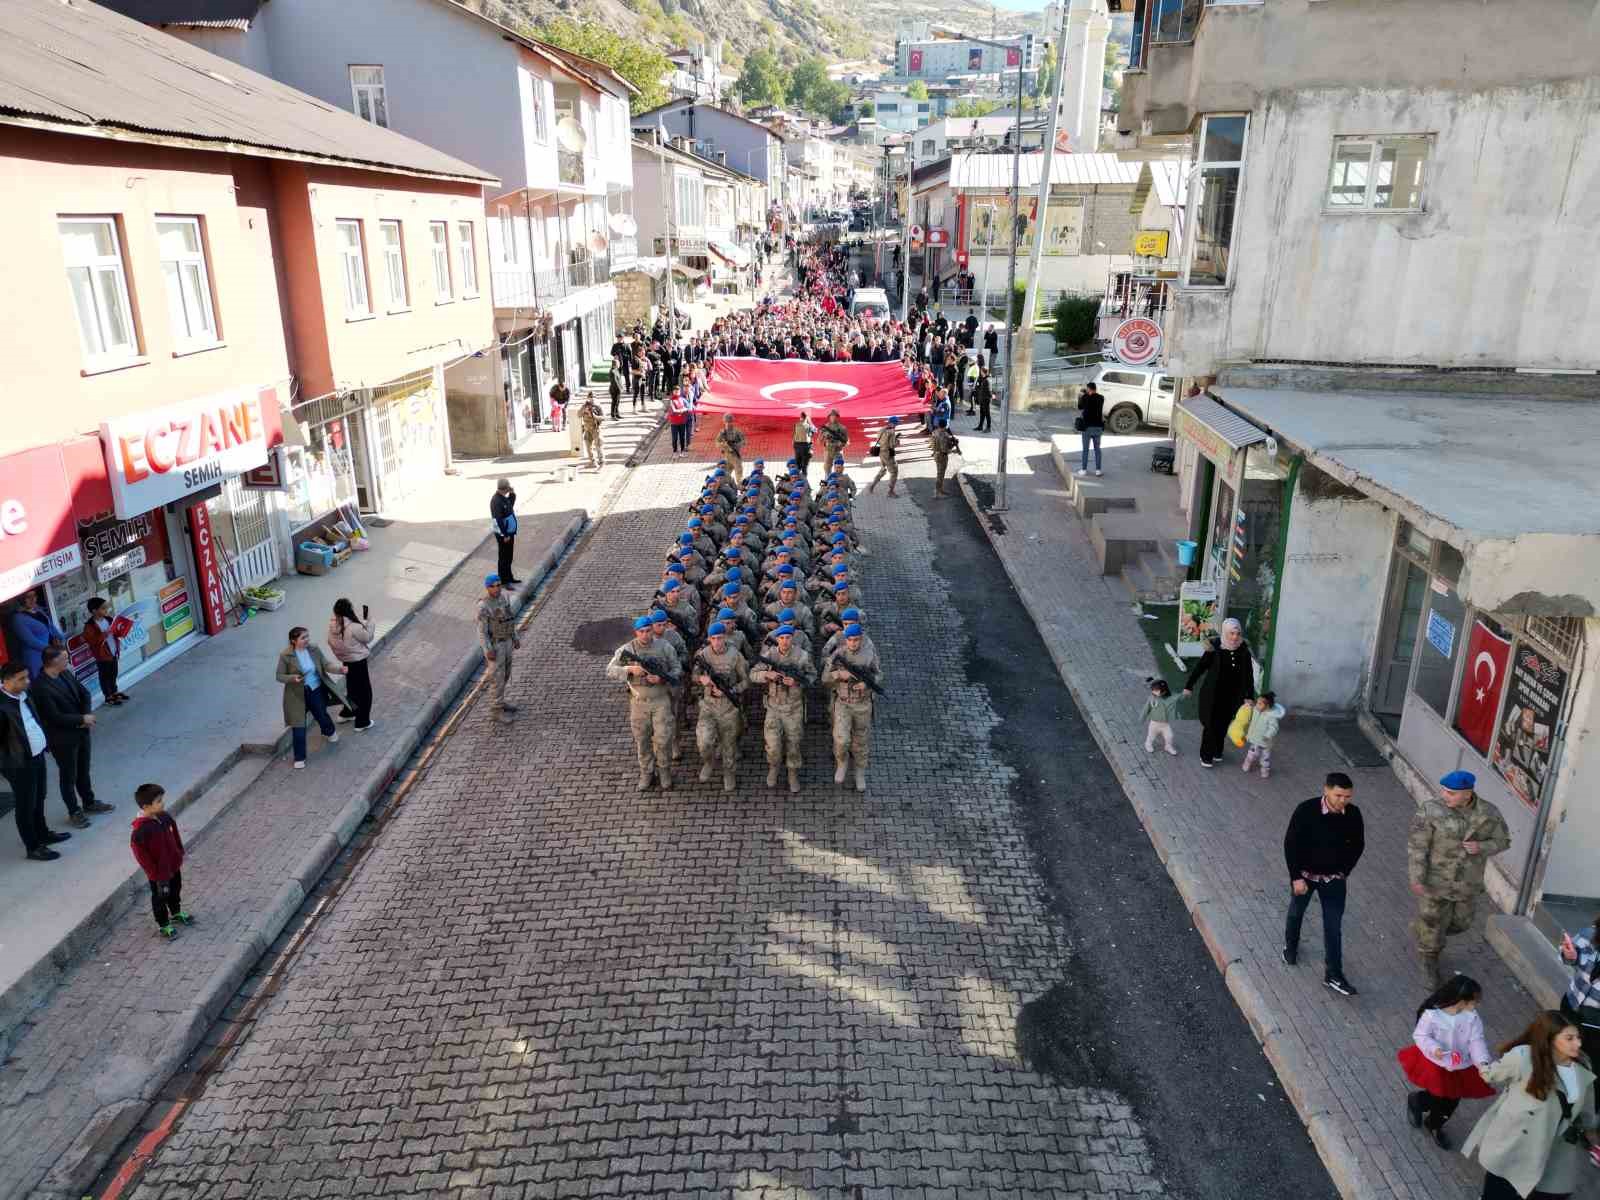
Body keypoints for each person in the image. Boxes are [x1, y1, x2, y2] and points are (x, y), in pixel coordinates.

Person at [1462, 1011, 1597, 1199]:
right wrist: (1479, 1059)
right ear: (1550, 1039)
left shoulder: (1583, 1064)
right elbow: (1490, 1074)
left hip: (1557, 1148)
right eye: (1569, 1038)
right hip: (1517, 1144)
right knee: (1499, 1192)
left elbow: (1586, 1108)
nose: (1578, 1043)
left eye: (1578, 1037)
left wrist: (1591, 1130)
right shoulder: (1524, 1057)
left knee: (1554, 1193)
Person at [1409, 770, 1513, 988]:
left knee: (1462, 923)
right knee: (1433, 921)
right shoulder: (1431, 810)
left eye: (1451, 793)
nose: (1444, 795)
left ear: (1467, 793)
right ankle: (1429, 959)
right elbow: (1418, 845)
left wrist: (1482, 847)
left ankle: (1425, 930)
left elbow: (1504, 840)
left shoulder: (1488, 812)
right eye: (1444, 791)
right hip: (1435, 880)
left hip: (1467, 882)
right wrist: (1417, 877)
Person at [1282, 771, 1365, 997]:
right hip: (1305, 876)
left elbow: (1358, 845)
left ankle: (1334, 975)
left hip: (1333, 880)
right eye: (1339, 795)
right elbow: (1291, 844)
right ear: (1326, 790)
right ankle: (1290, 946)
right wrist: (1295, 877)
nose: (1343, 801)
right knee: (1296, 912)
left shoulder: (1354, 814)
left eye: (1347, 796)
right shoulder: (1306, 810)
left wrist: (1344, 872)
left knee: (1333, 927)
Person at [1398, 974, 1494, 1150]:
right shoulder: (1432, 1015)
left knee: (1451, 1101)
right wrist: (1434, 1048)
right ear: (1460, 1000)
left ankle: (1434, 1124)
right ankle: (1418, 1101)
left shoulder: (1472, 1017)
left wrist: (1482, 1062)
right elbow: (1421, 1036)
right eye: (1473, 1001)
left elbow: (1476, 1041)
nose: (1475, 1006)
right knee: (1437, 1096)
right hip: (1436, 1063)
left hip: (1460, 1065)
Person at [33, 646, 112, 828]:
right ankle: (74, 811)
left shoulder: (65, 674)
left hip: (81, 731)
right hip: (62, 739)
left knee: (83, 770)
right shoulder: (41, 686)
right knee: (68, 776)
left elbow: (84, 693)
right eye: (65, 658)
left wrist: (85, 717)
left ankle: (89, 802)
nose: (68, 660)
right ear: (53, 662)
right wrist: (81, 719)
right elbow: (53, 716)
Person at [0, 660, 65, 860]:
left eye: (27, 677)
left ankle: (43, 833)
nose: (27, 682)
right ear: (7, 681)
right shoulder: (2, 706)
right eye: (21, 679)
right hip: (19, 764)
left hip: (36, 755)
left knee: (39, 796)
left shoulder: (23, 694)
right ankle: (33, 846)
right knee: (25, 804)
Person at [606, 616, 680, 791]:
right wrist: (629, 669)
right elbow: (610, 670)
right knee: (642, 740)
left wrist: (661, 677)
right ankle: (647, 773)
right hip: (639, 702)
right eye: (642, 632)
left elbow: (677, 668)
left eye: (648, 631)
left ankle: (664, 772)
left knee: (663, 739)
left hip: (661, 700)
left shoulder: (664, 647)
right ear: (636, 632)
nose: (645, 635)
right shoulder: (628, 650)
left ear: (652, 630)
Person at [1181, 617, 1256, 767]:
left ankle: (1217, 751)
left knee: (1223, 724)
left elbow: (1248, 675)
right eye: (1231, 633)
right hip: (1212, 695)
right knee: (1210, 725)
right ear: (1225, 633)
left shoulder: (1244, 651)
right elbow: (1200, 668)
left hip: (1232, 696)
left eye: (1237, 633)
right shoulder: (1214, 649)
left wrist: (1249, 696)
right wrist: (1189, 686)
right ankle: (1206, 755)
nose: (1235, 637)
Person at [752, 624, 815, 793]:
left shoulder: (802, 656)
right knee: (772, 745)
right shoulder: (769, 655)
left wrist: (797, 682)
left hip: (794, 707)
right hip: (774, 707)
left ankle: (792, 773)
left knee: (794, 743)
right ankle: (774, 767)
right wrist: (766, 675)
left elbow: (812, 676)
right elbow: (753, 673)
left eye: (788, 638)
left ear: (792, 638)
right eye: (781, 638)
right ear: (777, 639)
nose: (785, 641)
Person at [276, 626, 346, 769]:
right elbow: (279, 676)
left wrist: (339, 669)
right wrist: (292, 678)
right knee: (298, 727)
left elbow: (326, 665)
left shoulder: (313, 649)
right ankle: (299, 757)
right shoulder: (286, 655)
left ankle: (329, 732)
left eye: (307, 636)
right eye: (303, 638)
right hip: (296, 695)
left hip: (315, 690)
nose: (307, 640)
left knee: (321, 714)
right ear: (293, 641)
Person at [130, 783, 190, 940]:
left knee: (176, 888)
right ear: (145, 806)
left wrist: (179, 851)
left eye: (162, 799)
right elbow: (142, 857)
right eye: (158, 801)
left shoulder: (164, 817)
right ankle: (164, 924)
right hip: (158, 874)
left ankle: (176, 912)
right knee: (160, 897)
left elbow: (174, 832)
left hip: (173, 865)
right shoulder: (140, 832)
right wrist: (154, 874)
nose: (162, 803)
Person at [693, 621, 748, 793]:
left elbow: (746, 681)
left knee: (729, 745)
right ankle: (708, 762)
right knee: (704, 742)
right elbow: (694, 675)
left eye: (720, 638)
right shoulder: (703, 656)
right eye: (714, 638)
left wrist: (731, 690)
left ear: (725, 637)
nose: (717, 642)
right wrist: (700, 679)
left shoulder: (735, 655)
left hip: (728, 708)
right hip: (708, 706)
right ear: (709, 639)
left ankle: (728, 773)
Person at [826, 623, 879, 792]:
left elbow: (878, 674)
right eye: (850, 640)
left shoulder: (869, 654)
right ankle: (842, 763)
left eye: (856, 640)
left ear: (861, 639)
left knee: (860, 741)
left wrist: (866, 684)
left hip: (862, 704)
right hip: (843, 703)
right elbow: (824, 677)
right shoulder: (838, 654)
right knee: (841, 739)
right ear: (846, 640)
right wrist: (838, 675)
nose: (853, 643)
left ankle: (860, 772)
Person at [1557, 916, 1600, 1071]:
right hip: (1571, 1007)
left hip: (1596, 1025)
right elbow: (1566, 953)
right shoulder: (1589, 934)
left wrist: (1577, 959)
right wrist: (1569, 956)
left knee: (1591, 1070)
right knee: (1561, 1059)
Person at [326, 599, 375, 732]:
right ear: (349, 610)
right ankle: (362, 722)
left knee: (352, 688)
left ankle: (347, 713)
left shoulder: (333, 625)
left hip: (346, 660)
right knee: (364, 692)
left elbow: (330, 642)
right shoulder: (354, 626)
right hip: (358, 661)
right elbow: (368, 637)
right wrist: (370, 621)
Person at [477, 573, 521, 716]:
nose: (496, 589)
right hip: (495, 646)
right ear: (487, 588)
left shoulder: (504, 598)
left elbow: (510, 619)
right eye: (492, 586)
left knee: (506, 674)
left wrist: (515, 637)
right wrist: (488, 650)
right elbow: (482, 631)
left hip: (507, 641)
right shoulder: (483, 606)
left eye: (498, 585)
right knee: (497, 678)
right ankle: (496, 710)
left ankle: (500, 702)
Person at [82, 597, 130, 704]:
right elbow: (92, 641)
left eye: (106, 608)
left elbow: (116, 632)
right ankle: (108, 696)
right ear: (94, 611)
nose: (106, 610)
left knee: (114, 673)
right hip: (102, 656)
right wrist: (104, 634)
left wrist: (121, 630)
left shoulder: (109, 619)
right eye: (103, 608)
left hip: (113, 651)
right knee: (105, 676)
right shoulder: (89, 626)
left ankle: (114, 692)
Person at [10, 590, 66, 680]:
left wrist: (61, 638)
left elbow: (50, 626)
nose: (33, 599)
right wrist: (52, 649)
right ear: (21, 599)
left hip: (50, 654)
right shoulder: (17, 618)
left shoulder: (38, 610)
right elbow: (30, 641)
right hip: (35, 658)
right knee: (43, 684)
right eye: (28, 597)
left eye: (34, 595)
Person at [1241, 691, 1286, 779]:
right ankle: (1248, 762)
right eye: (1257, 703)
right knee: (1251, 752)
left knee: (1265, 757)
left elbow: (1274, 728)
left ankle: (1264, 769)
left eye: (1259, 704)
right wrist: (1250, 703)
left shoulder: (1272, 716)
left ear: (1267, 706)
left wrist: (1267, 735)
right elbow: (1252, 706)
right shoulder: (1257, 710)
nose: (1257, 705)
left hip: (1265, 741)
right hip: (1255, 739)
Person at [490, 478, 520, 586]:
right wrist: (505, 534)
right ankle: (504, 581)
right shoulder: (496, 501)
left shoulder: (503, 498)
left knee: (509, 556)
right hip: (503, 534)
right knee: (504, 557)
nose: (509, 489)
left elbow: (510, 505)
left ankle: (509, 577)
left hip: (509, 532)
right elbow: (498, 520)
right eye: (508, 488)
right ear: (505, 488)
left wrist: (512, 494)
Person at [1140, 678, 1180, 755]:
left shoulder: (1169, 698)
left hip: (1165, 724)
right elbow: (1146, 708)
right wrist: (1142, 717)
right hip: (1154, 723)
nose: (1154, 691)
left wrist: (1184, 694)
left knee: (1170, 736)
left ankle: (1168, 746)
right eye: (1153, 690)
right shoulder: (1152, 698)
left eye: (1156, 690)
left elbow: (1177, 697)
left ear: (1163, 691)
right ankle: (1148, 744)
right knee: (1151, 736)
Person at [867, 416, 900, 497]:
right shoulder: (891, 432)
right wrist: (897, 442)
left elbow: (879, 440)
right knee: (894, 472)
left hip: (881, 452)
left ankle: (872, 486)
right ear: (892, 423)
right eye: (896, 423)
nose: (896, 425)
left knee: (882, 470)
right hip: (888, 454)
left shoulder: (881, 429)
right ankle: (890, 492)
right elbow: (892, 445)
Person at [1077, 382, 1105, 477]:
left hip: (1087, 427)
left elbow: (1080, 407)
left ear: (1089, 389)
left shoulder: (1085, 398)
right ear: (1095, 389)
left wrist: (1081, 395)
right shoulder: (1101, 398)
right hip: (1098, 427)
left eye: (1087, 389)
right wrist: (1086, 394)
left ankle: (1084, 470)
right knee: (1097, 449)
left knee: (1085, 449)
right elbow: (1094, 398)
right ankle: (1098, 470)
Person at [930, 419, 959, 497]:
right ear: (945, 425)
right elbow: (945, 449)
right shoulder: (944, 435)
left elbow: (934, 444)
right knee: (940, 474)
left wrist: (950, 441)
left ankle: (940, 489)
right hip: (942, 456)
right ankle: (937, 493)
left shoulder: (935, 432)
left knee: (940, 473)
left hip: (936, 454)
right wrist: (954, 448)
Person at [716, 413, 746, 481]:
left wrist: (737, 445)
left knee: (739, 472)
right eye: (727, 422)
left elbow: (744, 441)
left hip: (735, 455)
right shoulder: (722, 432)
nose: (729, 423)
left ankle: (739, 485)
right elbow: (717, 443)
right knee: (726, 474)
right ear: (724, 422)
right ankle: (727, 484)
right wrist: (724, 445)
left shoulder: (737, 432)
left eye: (730, 422)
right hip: (727, 456)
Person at [579, 394, 604, 468]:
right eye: (590, 398)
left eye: (592, 398)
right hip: (587, 430)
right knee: (588, 447)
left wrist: (594, 416)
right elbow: (578, 415)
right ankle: (592, 462)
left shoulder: (598, 407)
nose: (591, 400)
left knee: (598, 446)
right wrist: (583, 408)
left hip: (595, 429)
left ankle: (601, 463)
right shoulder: (584, 406)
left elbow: (603, 417)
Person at [792, 413, 816, 478]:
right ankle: (804, 480)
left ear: (801, 418)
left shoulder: (796, 424)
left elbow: (794, 435)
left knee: (798, 465)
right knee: (804, 466)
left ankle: (796, 479)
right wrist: (810, 422)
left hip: (797, 445)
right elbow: (815, 430)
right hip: (806, 446)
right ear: (806, 418)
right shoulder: (808, 426)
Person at [668, 389, 691, 455]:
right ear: (673, 392)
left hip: (682, 422)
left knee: (682, 437)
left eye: (678, 391)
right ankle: (675, 451)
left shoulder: (682, 399)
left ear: (680, 392)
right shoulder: (672, 400)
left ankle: (682, 451)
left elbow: (688, 407)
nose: (677, 392)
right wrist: (682, 410)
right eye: (675, 391)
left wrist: (683, 409)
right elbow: (674, 410)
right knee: (674, 438)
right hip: (674, 423)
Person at [974, 359, 993, 432]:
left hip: (985, 399)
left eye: (981, 371)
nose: (980, 372)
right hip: (982, 399)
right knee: (982, 413)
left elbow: (989, 391)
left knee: (987, 413)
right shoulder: (984, 379)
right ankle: (980, 426)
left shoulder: (987, 380)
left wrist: (991, 396)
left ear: (983, 372)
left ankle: (988, 427)